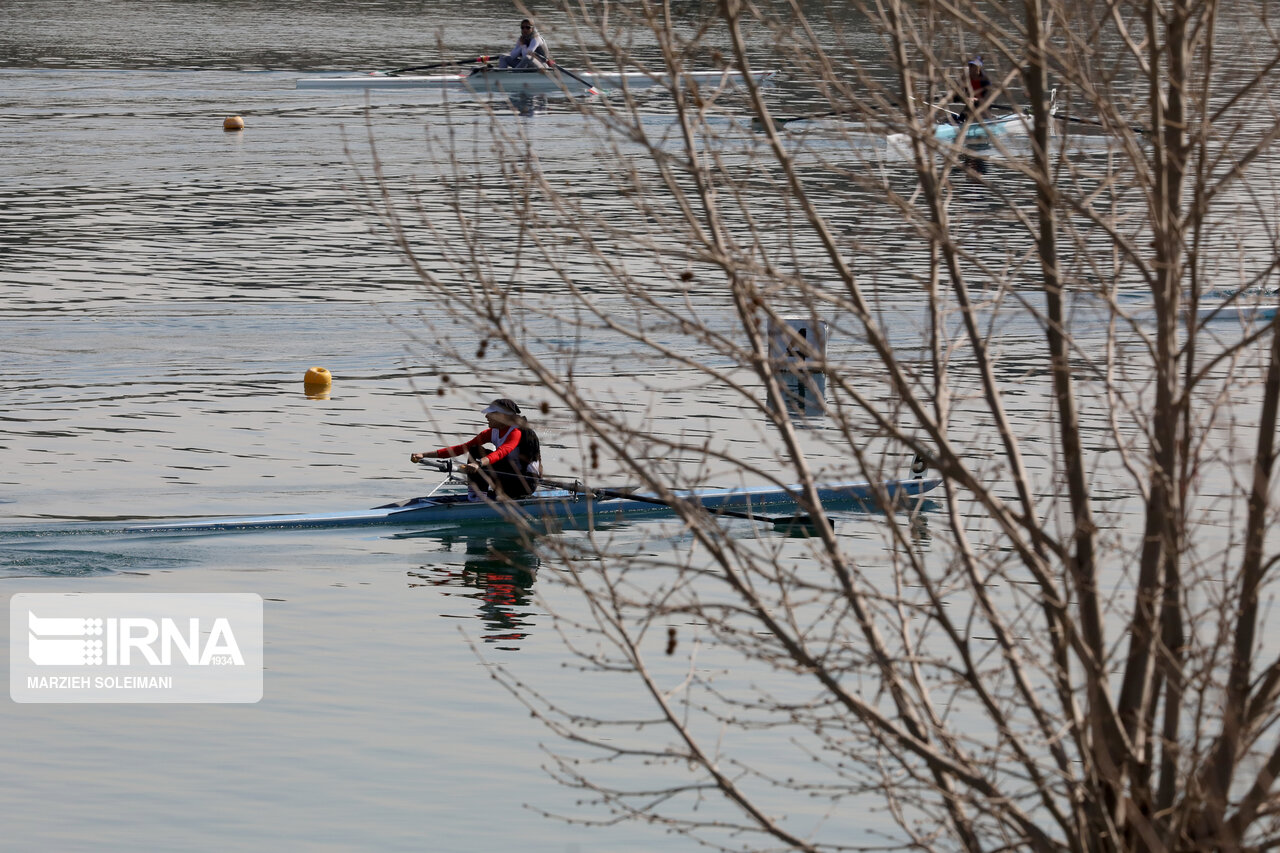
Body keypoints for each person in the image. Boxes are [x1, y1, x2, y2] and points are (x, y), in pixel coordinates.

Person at [410, 398, 542, 500]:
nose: (486, 416)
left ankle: (477, 498)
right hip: (507, 476)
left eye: (490, 414)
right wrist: (423, 454)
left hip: (524, 483)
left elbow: (502, 452)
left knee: (481, 458)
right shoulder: (491, 432)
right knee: (474, 450)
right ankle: (476, 496)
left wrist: (479, 463)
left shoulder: (516, 433)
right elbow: (461, 448)